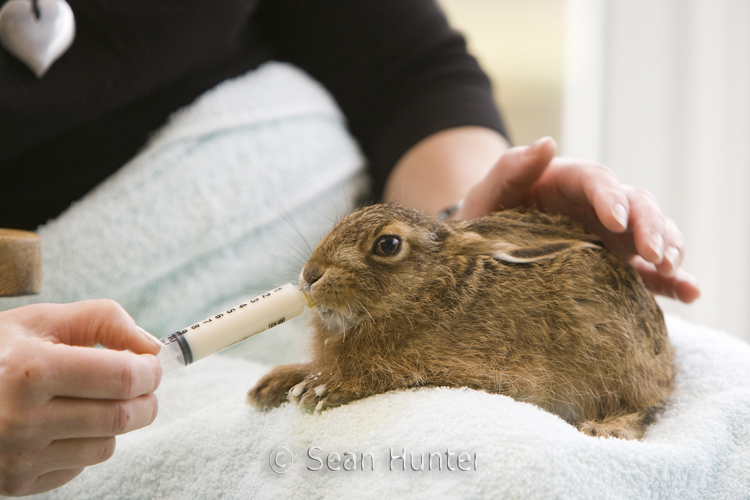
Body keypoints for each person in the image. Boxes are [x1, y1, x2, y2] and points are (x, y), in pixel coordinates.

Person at [0, 0, 699, 495]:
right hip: (60, 383)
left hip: (385, 261)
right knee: (492, 475)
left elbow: (411, 70)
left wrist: (474, 208)